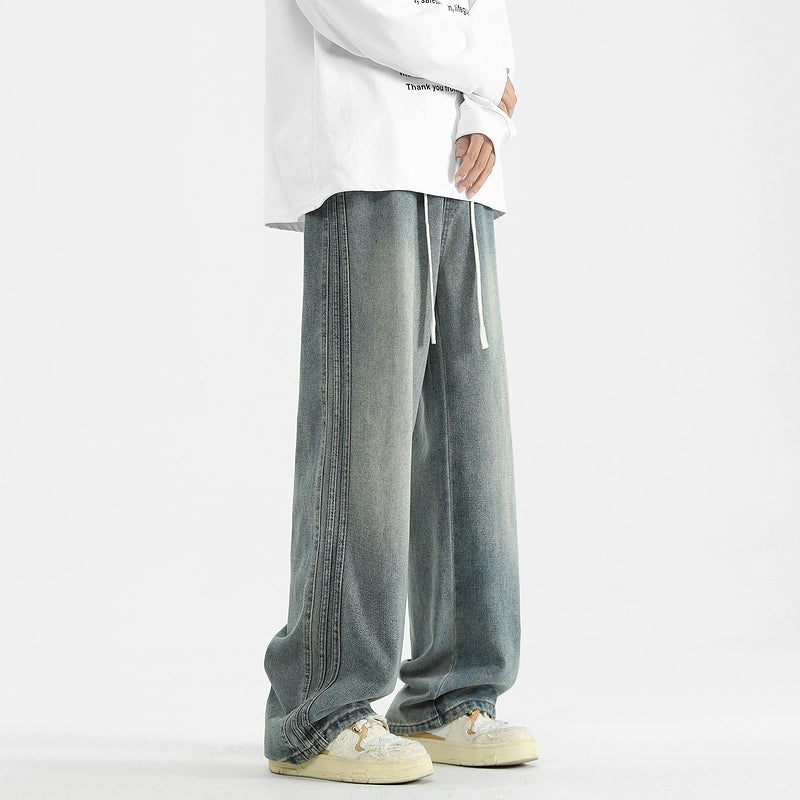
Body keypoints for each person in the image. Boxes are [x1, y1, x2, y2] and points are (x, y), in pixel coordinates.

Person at [261, 0, 538, 784]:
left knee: (471, 446)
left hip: (461, 171)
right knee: (363, 439)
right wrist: (484, 75)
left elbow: (489, 15)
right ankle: (318, 709)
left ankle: (453, 692)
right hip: (367, 155)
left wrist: (488, 110)